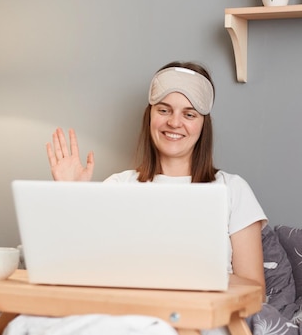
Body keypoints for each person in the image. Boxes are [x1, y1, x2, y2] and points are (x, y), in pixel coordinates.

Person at [46, 61, 267, 295]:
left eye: (189, 114)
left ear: (203, 125)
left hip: (203, 318)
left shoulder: (232, 189)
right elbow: (76, 271)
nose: (174, 122)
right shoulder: (118, 186)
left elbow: (255, 291)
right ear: (149, 116)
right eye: (164, 110)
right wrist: (70, 198)